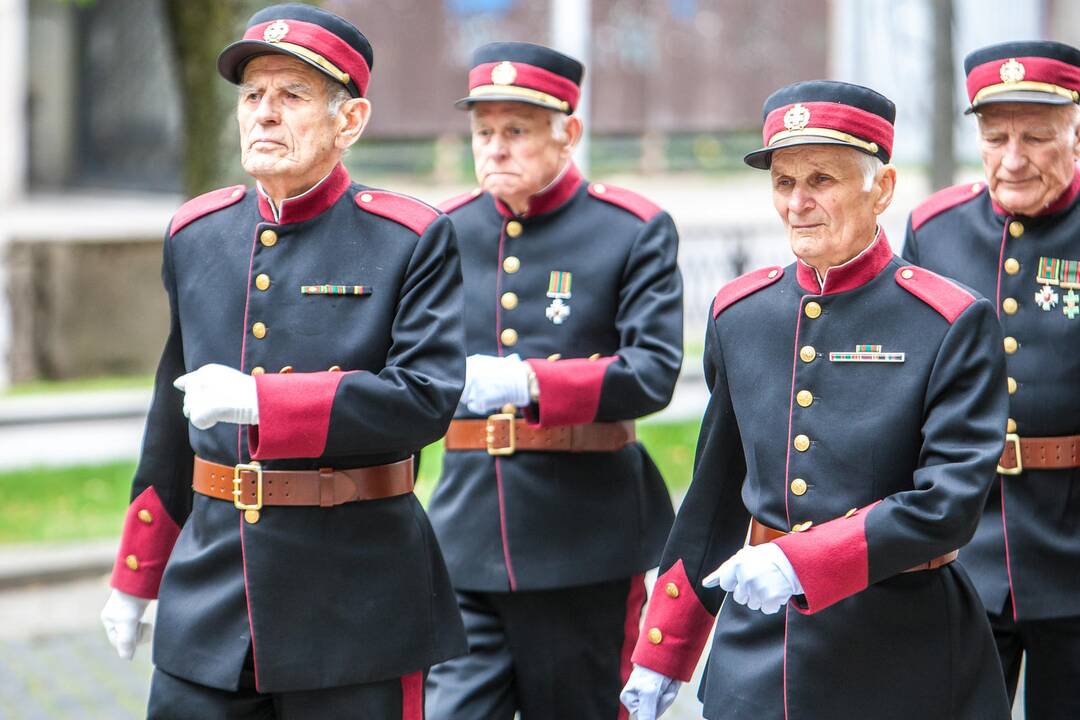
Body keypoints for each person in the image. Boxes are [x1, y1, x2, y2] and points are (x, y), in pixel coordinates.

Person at [98, 4, 466, 717]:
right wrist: (137, 571)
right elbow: (168, 423)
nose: (264, 114)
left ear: (349, 122)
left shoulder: (411, 238)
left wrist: (265, 405)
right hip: (210, 596)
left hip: (354, 603)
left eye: (292, 96)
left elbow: (424, 398)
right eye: (252, 96)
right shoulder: (196, 234)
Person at [620, 80, 1012, 719]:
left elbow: (949, 504)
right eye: (783, 182)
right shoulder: (740, 314)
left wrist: (802, 561)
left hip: (902, 648)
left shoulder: (949, 320)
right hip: (761, 652)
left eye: (822, 180)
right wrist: (665, 648)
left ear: (880, 189)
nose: (798, 203)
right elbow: (715, 498)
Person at [424, 41, 683, 720]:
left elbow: (652, 373)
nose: (496, 149)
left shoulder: (629, 230)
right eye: (484, 131)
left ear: (569, 133)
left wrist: (528, 384)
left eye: (516, 130)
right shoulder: (443, 231)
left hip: (585, 541)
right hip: (467, 536)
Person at [903, 40, 1080, 719]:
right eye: (995, 135)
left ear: (1075, 131)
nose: (1012, 158)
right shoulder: (935, 229)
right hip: (964, 552)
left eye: (1036, 137)